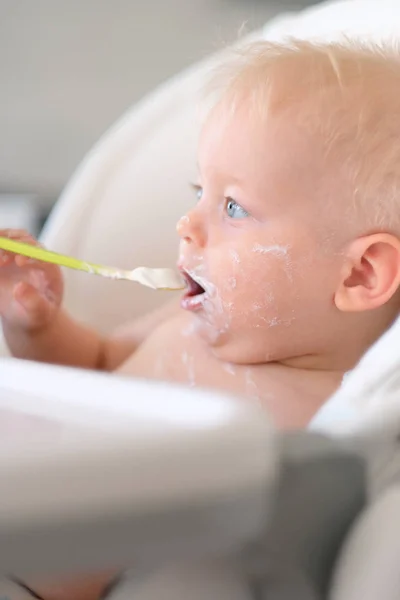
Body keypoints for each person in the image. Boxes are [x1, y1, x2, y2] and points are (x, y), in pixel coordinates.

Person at [2, 39, 400, 599]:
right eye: (198, 192)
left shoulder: (331, 426)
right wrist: (36, 325)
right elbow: (88, 371)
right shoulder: (181, 323)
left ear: (359, 275)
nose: (188, 224)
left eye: (233, 206)